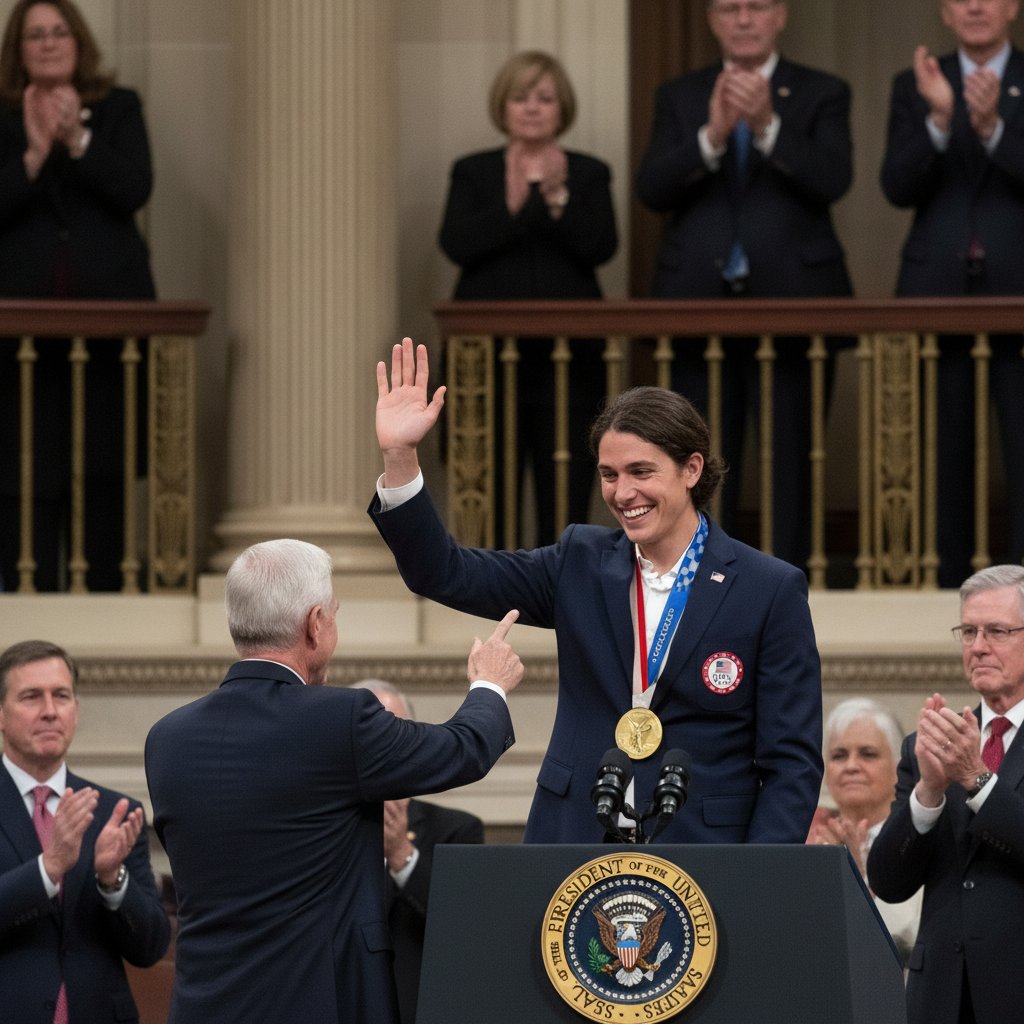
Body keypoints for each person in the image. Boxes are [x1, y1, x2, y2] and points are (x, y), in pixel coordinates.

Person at [370, 337, 822, 845]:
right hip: (575, 839)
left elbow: (792, 763)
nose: (623, 493)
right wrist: (400, 455)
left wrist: (757, 880)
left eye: (641, 472)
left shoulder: (768, 588)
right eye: (609, 475)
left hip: (704, 856)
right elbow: (443, 572)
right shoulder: (578, 561)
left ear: (692, 469)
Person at [144, 538, 523, 1024]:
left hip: (206, 1002)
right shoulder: (339, 719)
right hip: (320, 1000)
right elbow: (461, 751)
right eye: (335, 615)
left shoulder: (167, 737)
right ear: (314, 623)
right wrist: (488, 684)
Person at [635, 0, 853, 571]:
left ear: (780, 16)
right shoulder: (680, 95)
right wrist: (711, 135)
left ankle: (787, 581)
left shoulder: (821, 91)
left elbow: (834, 179)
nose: (745, 19)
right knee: (692, 460)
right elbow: (653, 189)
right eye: (731, 8)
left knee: (792, 456)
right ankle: (701, 579)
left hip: (795, 309)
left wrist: (766, 128)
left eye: (758, 6)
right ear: (712, 20)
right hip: (695, 310)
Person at [0, 0, 156, 592]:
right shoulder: (4, 115)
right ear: (18, 48)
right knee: (23, 471)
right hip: (17, 347)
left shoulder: (118, 108)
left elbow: (134, 187)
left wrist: (78, 139)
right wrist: (35, 154)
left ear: (77, 40)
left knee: (103, 466)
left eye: (58, 31)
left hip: (109, 339)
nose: (47, 42)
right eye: (34, 34)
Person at [438, 49, 618, 548]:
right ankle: (487, 582)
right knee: (488, 475)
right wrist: (514, 204)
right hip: (486, 358)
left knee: (565, 473)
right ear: (503, 106)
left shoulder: (589, 173)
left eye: (545, 98)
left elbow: (601, 247)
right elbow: (457, 244)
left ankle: (563, 583)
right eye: (521, 98)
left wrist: (558, 201)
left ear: (563, 108)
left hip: (570, 357)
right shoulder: (474, 172)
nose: (533, 108)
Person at [881, 1, 1024, 588]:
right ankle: (944, 587)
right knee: (942, 453)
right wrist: (940, 120)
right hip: (936, 294)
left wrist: (992, 130)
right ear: (944, 10)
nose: (975, 5)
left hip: (1016, 295)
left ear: (1013, 6)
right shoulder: (916, 83)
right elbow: (896, 185)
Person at [868, 564, 1024, 1024]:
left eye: (996, 631)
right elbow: (889, 882)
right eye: (969, 631)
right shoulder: (930, 746)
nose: (978, 646)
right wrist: (929, 791)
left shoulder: (962, 755)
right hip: (940, 998)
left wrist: (977, 780)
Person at [0, 639, 170, 1023]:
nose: (49, 711)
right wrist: (50, 867)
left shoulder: (114, 812)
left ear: (76, 711)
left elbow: (150, 946)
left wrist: (112, 880)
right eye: (31, 697)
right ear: (1, 714)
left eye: (61, 696)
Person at [352, 678, 485, 1024]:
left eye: (392, 734)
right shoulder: (318, 832)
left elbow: (468, 926)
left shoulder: (456, 829)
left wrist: (400, 854)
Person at [806, 697, 921, 964]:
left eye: (868, 754)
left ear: (898, 766)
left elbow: (912, 940)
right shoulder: (804, 840)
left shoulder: (916, 838)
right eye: (839, 755)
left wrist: (860, 886)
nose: (851, 766)